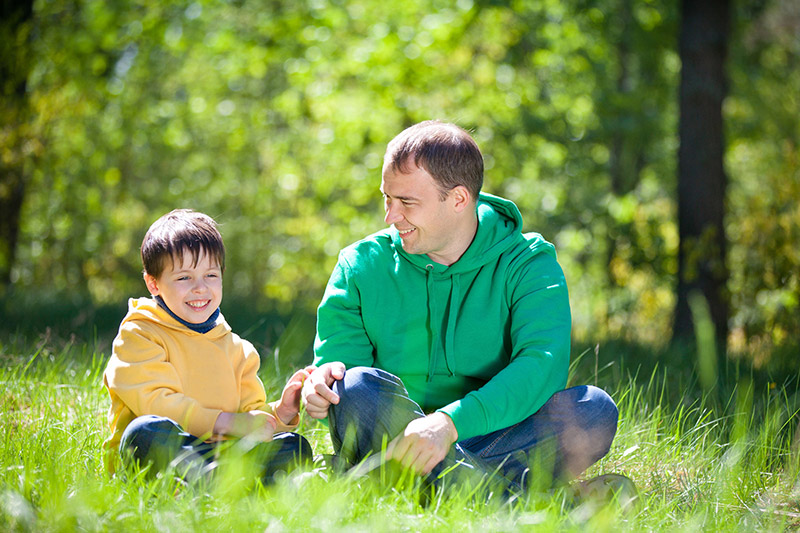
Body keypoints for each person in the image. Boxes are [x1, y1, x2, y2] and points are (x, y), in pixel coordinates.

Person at [302, 120, 618, 492]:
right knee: (355, 386)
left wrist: (448, 425)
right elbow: (342, 383)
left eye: (406, 202)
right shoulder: (361, 265)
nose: (390, 216)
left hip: (492, 434)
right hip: (397, 436)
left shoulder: (529, 264)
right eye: (387, 198)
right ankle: (525, 500)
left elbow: (540, 368)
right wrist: (322, 393)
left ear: (458, 199)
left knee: (593, 410)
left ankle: (407, 486)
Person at [103, 209, 313, 483]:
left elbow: (248, 419)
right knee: (145, 431)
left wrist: (281, 413)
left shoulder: (238, 350)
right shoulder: (140, 332)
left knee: (293, 447)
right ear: (153, 283)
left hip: (220, 455)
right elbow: (156, 403)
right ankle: (220, 481)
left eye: (210, 275)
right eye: (184, 278)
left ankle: (214, 482)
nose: (200, 288)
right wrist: (225, 422)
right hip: (166, 452)